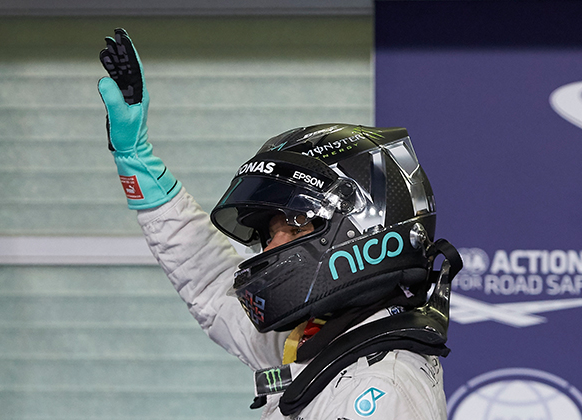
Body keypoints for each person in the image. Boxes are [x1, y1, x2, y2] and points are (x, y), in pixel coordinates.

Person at [97, 28, 463, 420]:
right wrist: (136, 160)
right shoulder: (326, 341)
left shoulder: (380, 391)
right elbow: (211, 286)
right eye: (270, 234)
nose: (270, 247)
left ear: (363, 228)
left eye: (295, 223)